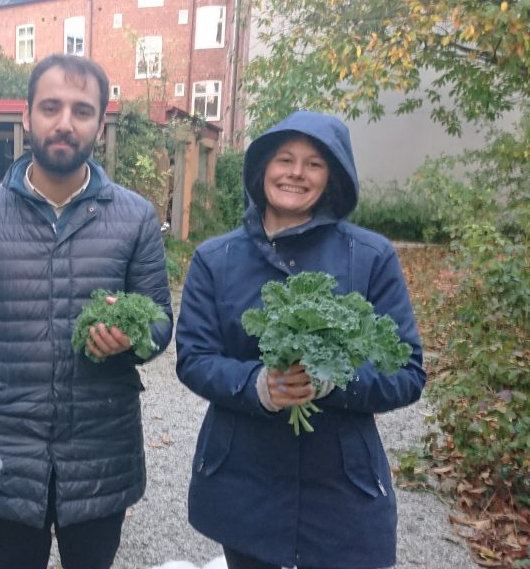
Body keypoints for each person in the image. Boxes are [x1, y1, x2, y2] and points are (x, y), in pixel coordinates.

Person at [0, 53, 173, 569]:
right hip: (5, 450)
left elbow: (159, 322)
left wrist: (134, 337)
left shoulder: (135, 217)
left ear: (100, 123)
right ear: (27, 116)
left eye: (82, 110)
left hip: (100, 452)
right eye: (51, 107)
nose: (65, 123)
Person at [175, 110, 426, 569]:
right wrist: (259, 386)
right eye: (284, 159)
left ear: (332, 176)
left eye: (314, 163)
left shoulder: (371, 257)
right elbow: (193, 357)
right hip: (244, 481)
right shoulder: (215, 258)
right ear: (262, 169)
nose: (295, 172)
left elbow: (407, 373)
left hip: (342, 490)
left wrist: (331, 381)